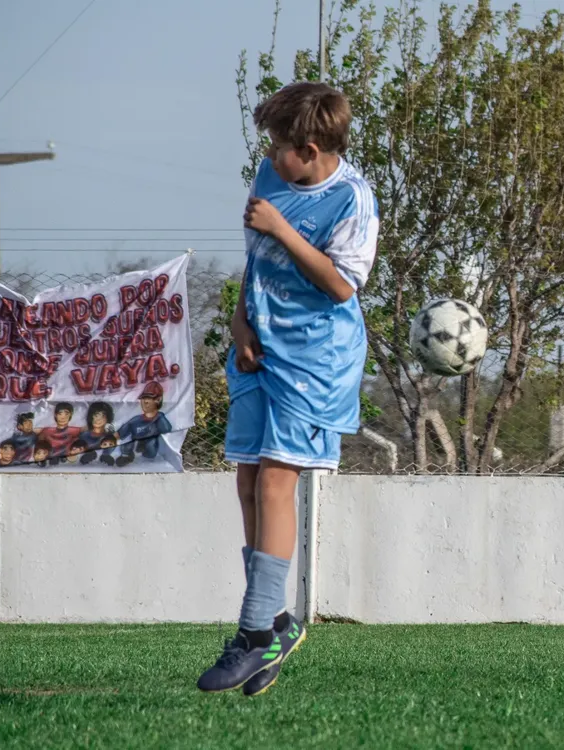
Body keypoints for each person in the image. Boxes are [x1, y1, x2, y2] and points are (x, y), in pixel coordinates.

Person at [196, 81, 379, 697]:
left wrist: (281, 228)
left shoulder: (353, 199)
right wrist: (240, 322)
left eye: (279, 146)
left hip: (315, 361)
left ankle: (254, 635)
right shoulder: (269, 176)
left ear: (310, 150)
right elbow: (256, 261)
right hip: (258, 348)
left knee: (277, 483)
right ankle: (275, 623)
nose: (270, 156)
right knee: (248, 481)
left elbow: (341, 285)